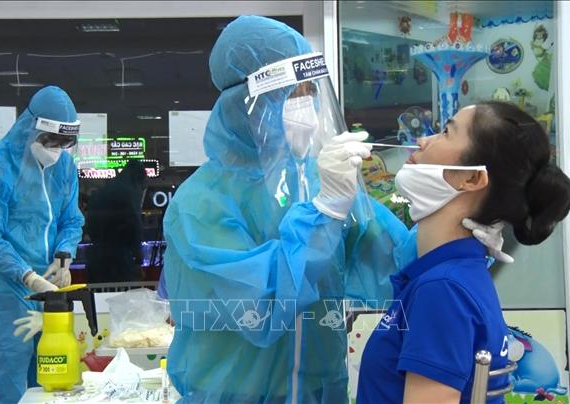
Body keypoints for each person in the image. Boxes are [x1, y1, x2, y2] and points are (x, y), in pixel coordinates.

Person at [160, 16, 507, 403]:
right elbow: (261, 305)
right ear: (244, 105)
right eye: (292, 94)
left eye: (311, 91)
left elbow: (394, 259)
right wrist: (324, 212)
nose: (306, 107)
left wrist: (464, 229)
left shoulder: (320, 180)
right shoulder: (199, 205)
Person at [356, 101, 570, 403]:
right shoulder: (453, 276)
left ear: (471, 179)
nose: (423, 140)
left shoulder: (443, 289)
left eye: (446, 132)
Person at [0, 86, 84, 403]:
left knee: (51, 382)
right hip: (3, 297)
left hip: (47, 297)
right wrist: (28, 276)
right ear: (32, 128)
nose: (57, 150)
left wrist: (64, 256)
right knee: (9, 387)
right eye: (52, 141)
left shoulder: (63, 168)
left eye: (65, 143)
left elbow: (71, 219)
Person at [85, 160, 148, 283]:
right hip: (120, 261)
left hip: (95, 259)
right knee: (121, 293)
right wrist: (138, 257)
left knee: (98, 293)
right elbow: (134, 225)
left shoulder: (100, 193)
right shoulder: (130, 193)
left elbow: (89, 227)